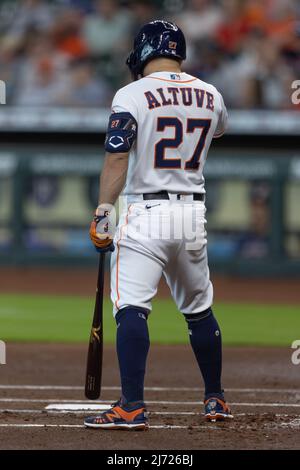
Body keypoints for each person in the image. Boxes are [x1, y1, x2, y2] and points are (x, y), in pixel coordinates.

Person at [85, 20, 233, 430]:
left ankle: (131, 405)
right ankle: (215, 398)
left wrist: (102, 210)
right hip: (191, 215)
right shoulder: (210, 92)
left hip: (145, 212)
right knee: (199, 310)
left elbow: (117, 156)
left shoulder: (131, 93)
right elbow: (218, 129)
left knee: (132, 307)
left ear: (143, 51)